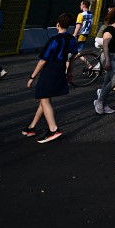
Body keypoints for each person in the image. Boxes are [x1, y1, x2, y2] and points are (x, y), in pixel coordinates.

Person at [23, 13, 77, 143]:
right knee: (45, 98)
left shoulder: (54, 40)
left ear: (58, 24)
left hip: (50, 69)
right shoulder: (71, 39)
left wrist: (32, 77)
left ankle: (53, 129)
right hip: (61, 68)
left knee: (44, 99)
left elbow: (42, 61)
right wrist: (69, 72)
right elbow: (72, 56)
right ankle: (32, 127)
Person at [94, 7, 115, 115]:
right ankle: (100, 100)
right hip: (110, 57)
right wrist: (108, 61)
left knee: (106, 82)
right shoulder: (109, 30)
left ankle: (104, 103)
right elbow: (105, 46)